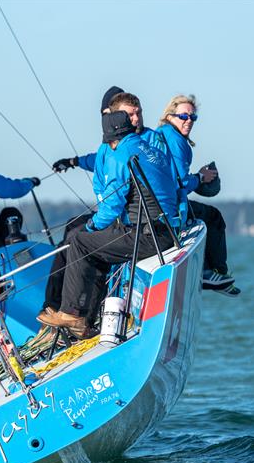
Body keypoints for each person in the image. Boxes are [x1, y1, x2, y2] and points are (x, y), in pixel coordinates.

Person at [38, 110, 179, 337]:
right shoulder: (149, 149)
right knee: (97, 247)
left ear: (111, 140)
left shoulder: (120, 155)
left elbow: (112, 205)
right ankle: (84, 320)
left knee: (80, 241)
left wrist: (91, 226)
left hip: (147, 236)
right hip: (166, 230)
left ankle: (73, 315)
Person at [158, 94, 240, 296]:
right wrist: (201, 178)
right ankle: (215, 274)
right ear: (169, 116)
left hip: (161, 203)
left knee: (206, 216)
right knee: (213, 217)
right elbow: (182, 183)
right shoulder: (176, 140)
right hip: (170, 207)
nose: (188, 121)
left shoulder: (161, 134)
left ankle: (211, 273)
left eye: (193, 118)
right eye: (183, 116)